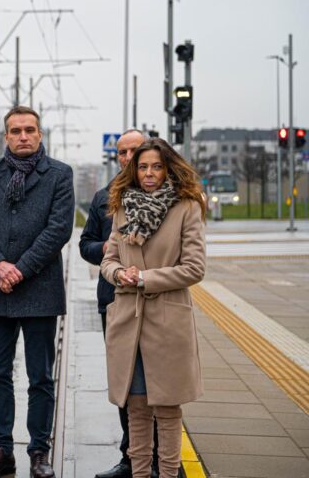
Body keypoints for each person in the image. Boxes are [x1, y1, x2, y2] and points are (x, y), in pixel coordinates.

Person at [0, 106, 74, 478]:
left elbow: (59, 229)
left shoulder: (59, 174)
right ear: (6, 137)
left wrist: (20, 269)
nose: (23, 136)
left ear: (40, 134)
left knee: (40, 377)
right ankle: (1, 450)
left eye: (30, 130)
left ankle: (39, 452)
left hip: (40, 290)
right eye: (16, 131)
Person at [100, 138, 206, 478]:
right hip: (128, 320)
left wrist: (144, 278)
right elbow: (109, 259)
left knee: (168, 407)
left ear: (168, 169)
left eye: (156, 167)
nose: (149, 173)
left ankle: (170, 473)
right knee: (137, 406)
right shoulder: (121, 205)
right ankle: (140, 474)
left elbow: (194, 268)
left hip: (166, 320)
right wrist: (118, 273)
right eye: (143, 167)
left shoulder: (187, 207)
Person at [80, 129, 160, 478]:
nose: (127, 158)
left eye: (134, 151)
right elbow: (86, 245)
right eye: (122, 153)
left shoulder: (163, 196)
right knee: (125, 384)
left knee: (158, 381)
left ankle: (160, 459)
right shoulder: (104, 197)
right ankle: (131, 459)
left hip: (156, 302)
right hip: (113, 301)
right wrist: (112, 251)